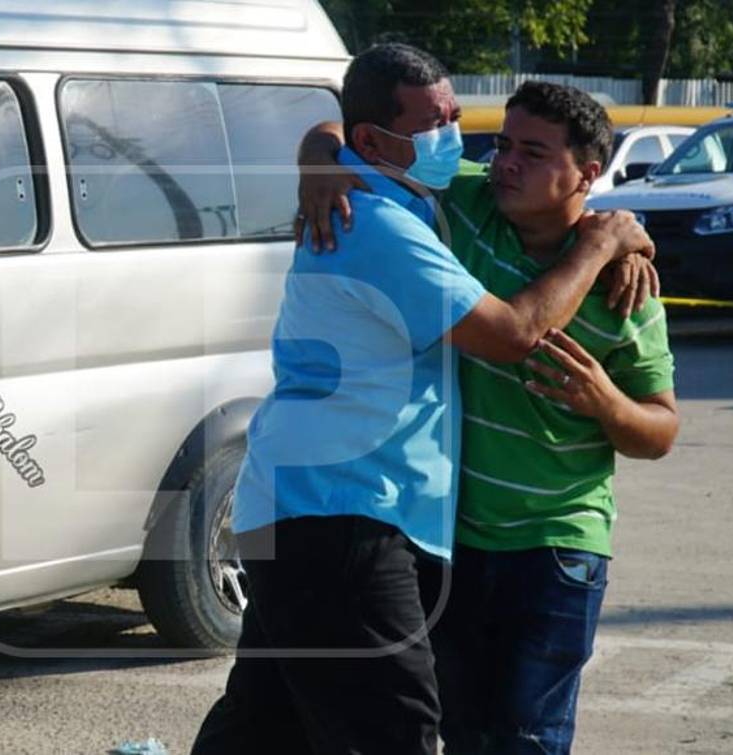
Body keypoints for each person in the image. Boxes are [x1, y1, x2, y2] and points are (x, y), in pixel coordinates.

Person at [190, 45, 654, 755]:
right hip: (347, 516)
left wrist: (318, 150)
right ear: (374, 143)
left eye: (457, 117)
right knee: (395, 730)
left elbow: (334, 129)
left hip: (309, 512)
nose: (459, 139)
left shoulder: (413, 200)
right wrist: (600, 245)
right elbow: (515, 333)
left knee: (264, 727)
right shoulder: (375, 225)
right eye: (435, 122)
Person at [294, 80, 680, 754]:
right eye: (502, 144)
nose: (505, 162)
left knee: (526, 738)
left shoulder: (626, 291)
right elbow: (344, 131)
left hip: (558, 547)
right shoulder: (467, 205)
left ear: (588, 173)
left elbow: (661, 429)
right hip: (457, 542)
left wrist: (606, 402)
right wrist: (319, 161)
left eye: (532, 152)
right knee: (460, 729)